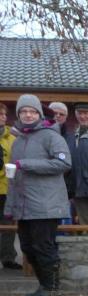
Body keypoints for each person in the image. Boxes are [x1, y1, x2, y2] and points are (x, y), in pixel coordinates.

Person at [5, 94, 71, 296]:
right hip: (24, 206)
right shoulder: (18, 141)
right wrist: (10, 207)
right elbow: (14, 178)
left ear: (39, 114)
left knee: (44, 247)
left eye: (32, 111)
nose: (28, 115)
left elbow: (64, 163)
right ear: (18, 114)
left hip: (46, 203)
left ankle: (51, 288)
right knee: (27, 248)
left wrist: (26, 164)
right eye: (23, 111)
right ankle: (45, 286)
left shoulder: (52, 136)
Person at [0, 102, 22, 270]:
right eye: (0, 114)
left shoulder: (13, 138)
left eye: (4, 115)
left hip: (7, 189)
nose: (3, 118)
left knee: (8, 226)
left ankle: (8, 257)